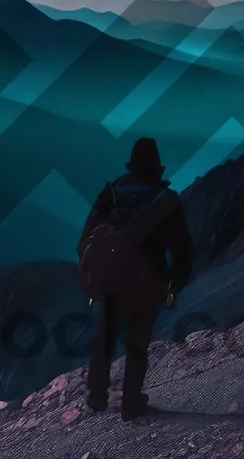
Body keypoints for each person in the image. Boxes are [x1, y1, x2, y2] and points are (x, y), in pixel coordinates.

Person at [78, 137, 193, 420]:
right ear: (157, 169)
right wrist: (175, 286)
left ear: (131, 165)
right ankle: (131, 403)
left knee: (105, 336)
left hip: (113, 279)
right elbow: (182, 249)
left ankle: (96, 396)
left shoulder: (113, 193)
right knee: (137, 343)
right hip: (149, 282)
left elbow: (87, 236)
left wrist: (91, 274)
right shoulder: (167, 201)